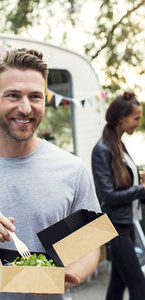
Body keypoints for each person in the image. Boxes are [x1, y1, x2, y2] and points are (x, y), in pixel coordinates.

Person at [0, 48, 100, 300]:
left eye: (35, 96)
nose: (26, 108)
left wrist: (68, 277)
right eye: (13, 95)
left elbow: (89, 243)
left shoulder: (71, 169)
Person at [91, 91, 145, 300]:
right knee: (139, 286)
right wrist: (141, 190)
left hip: (127, 224)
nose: (138, 123)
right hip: (114, 227)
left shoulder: (120, 146)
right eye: (136, 118)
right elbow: (109, 196)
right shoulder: (102, 150)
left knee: (117, 283)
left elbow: (127, 187)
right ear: (121, 118)